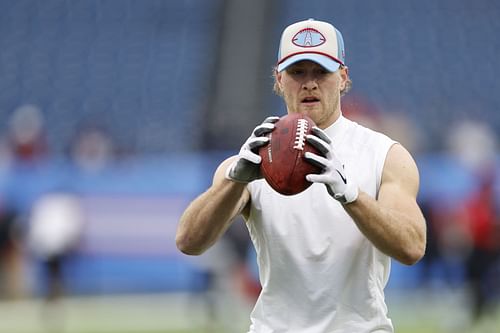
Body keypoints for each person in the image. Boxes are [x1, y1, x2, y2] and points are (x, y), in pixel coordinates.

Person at [176, 18, 426, 332]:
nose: (309, 83)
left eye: (321, 71)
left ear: (343, 77)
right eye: (297, 72)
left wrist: (351, 196)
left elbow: (412, 247)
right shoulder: (254, 156)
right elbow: (189, 241)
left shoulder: (384, 154)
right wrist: (233, 180)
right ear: (279, 79)